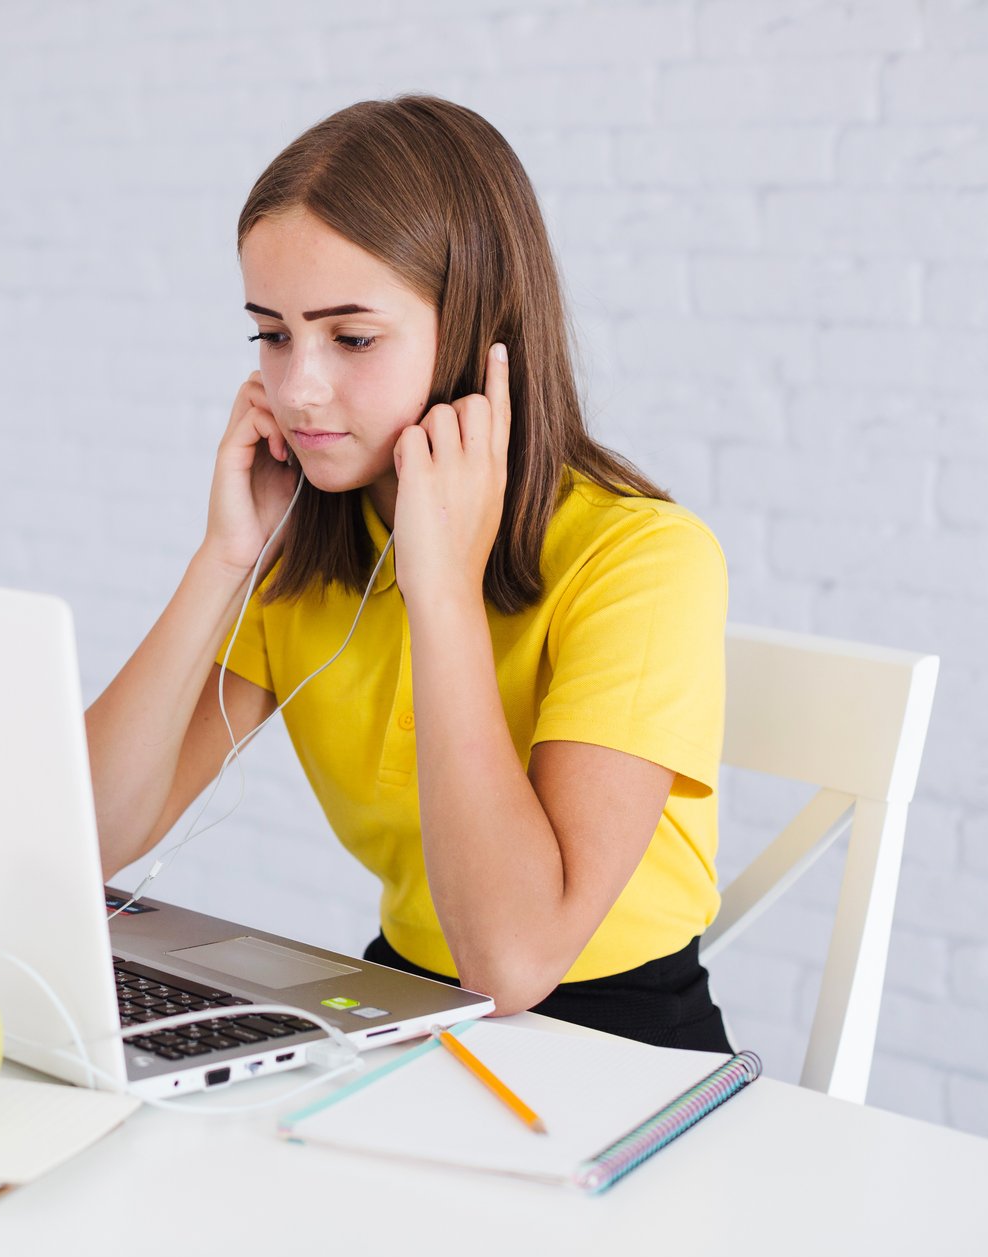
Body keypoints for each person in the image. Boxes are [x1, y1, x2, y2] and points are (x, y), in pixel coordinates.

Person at [83, 95, 732, 1053]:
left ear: (473, 336)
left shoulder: (642, 561)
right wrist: (224, 557)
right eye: (270, 334)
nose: (296, 388)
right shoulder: (306, 544)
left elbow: (511, 965)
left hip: (616, 1045)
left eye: (351, 338)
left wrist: (442, 590)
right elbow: (86, 841)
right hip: (405, 1007)